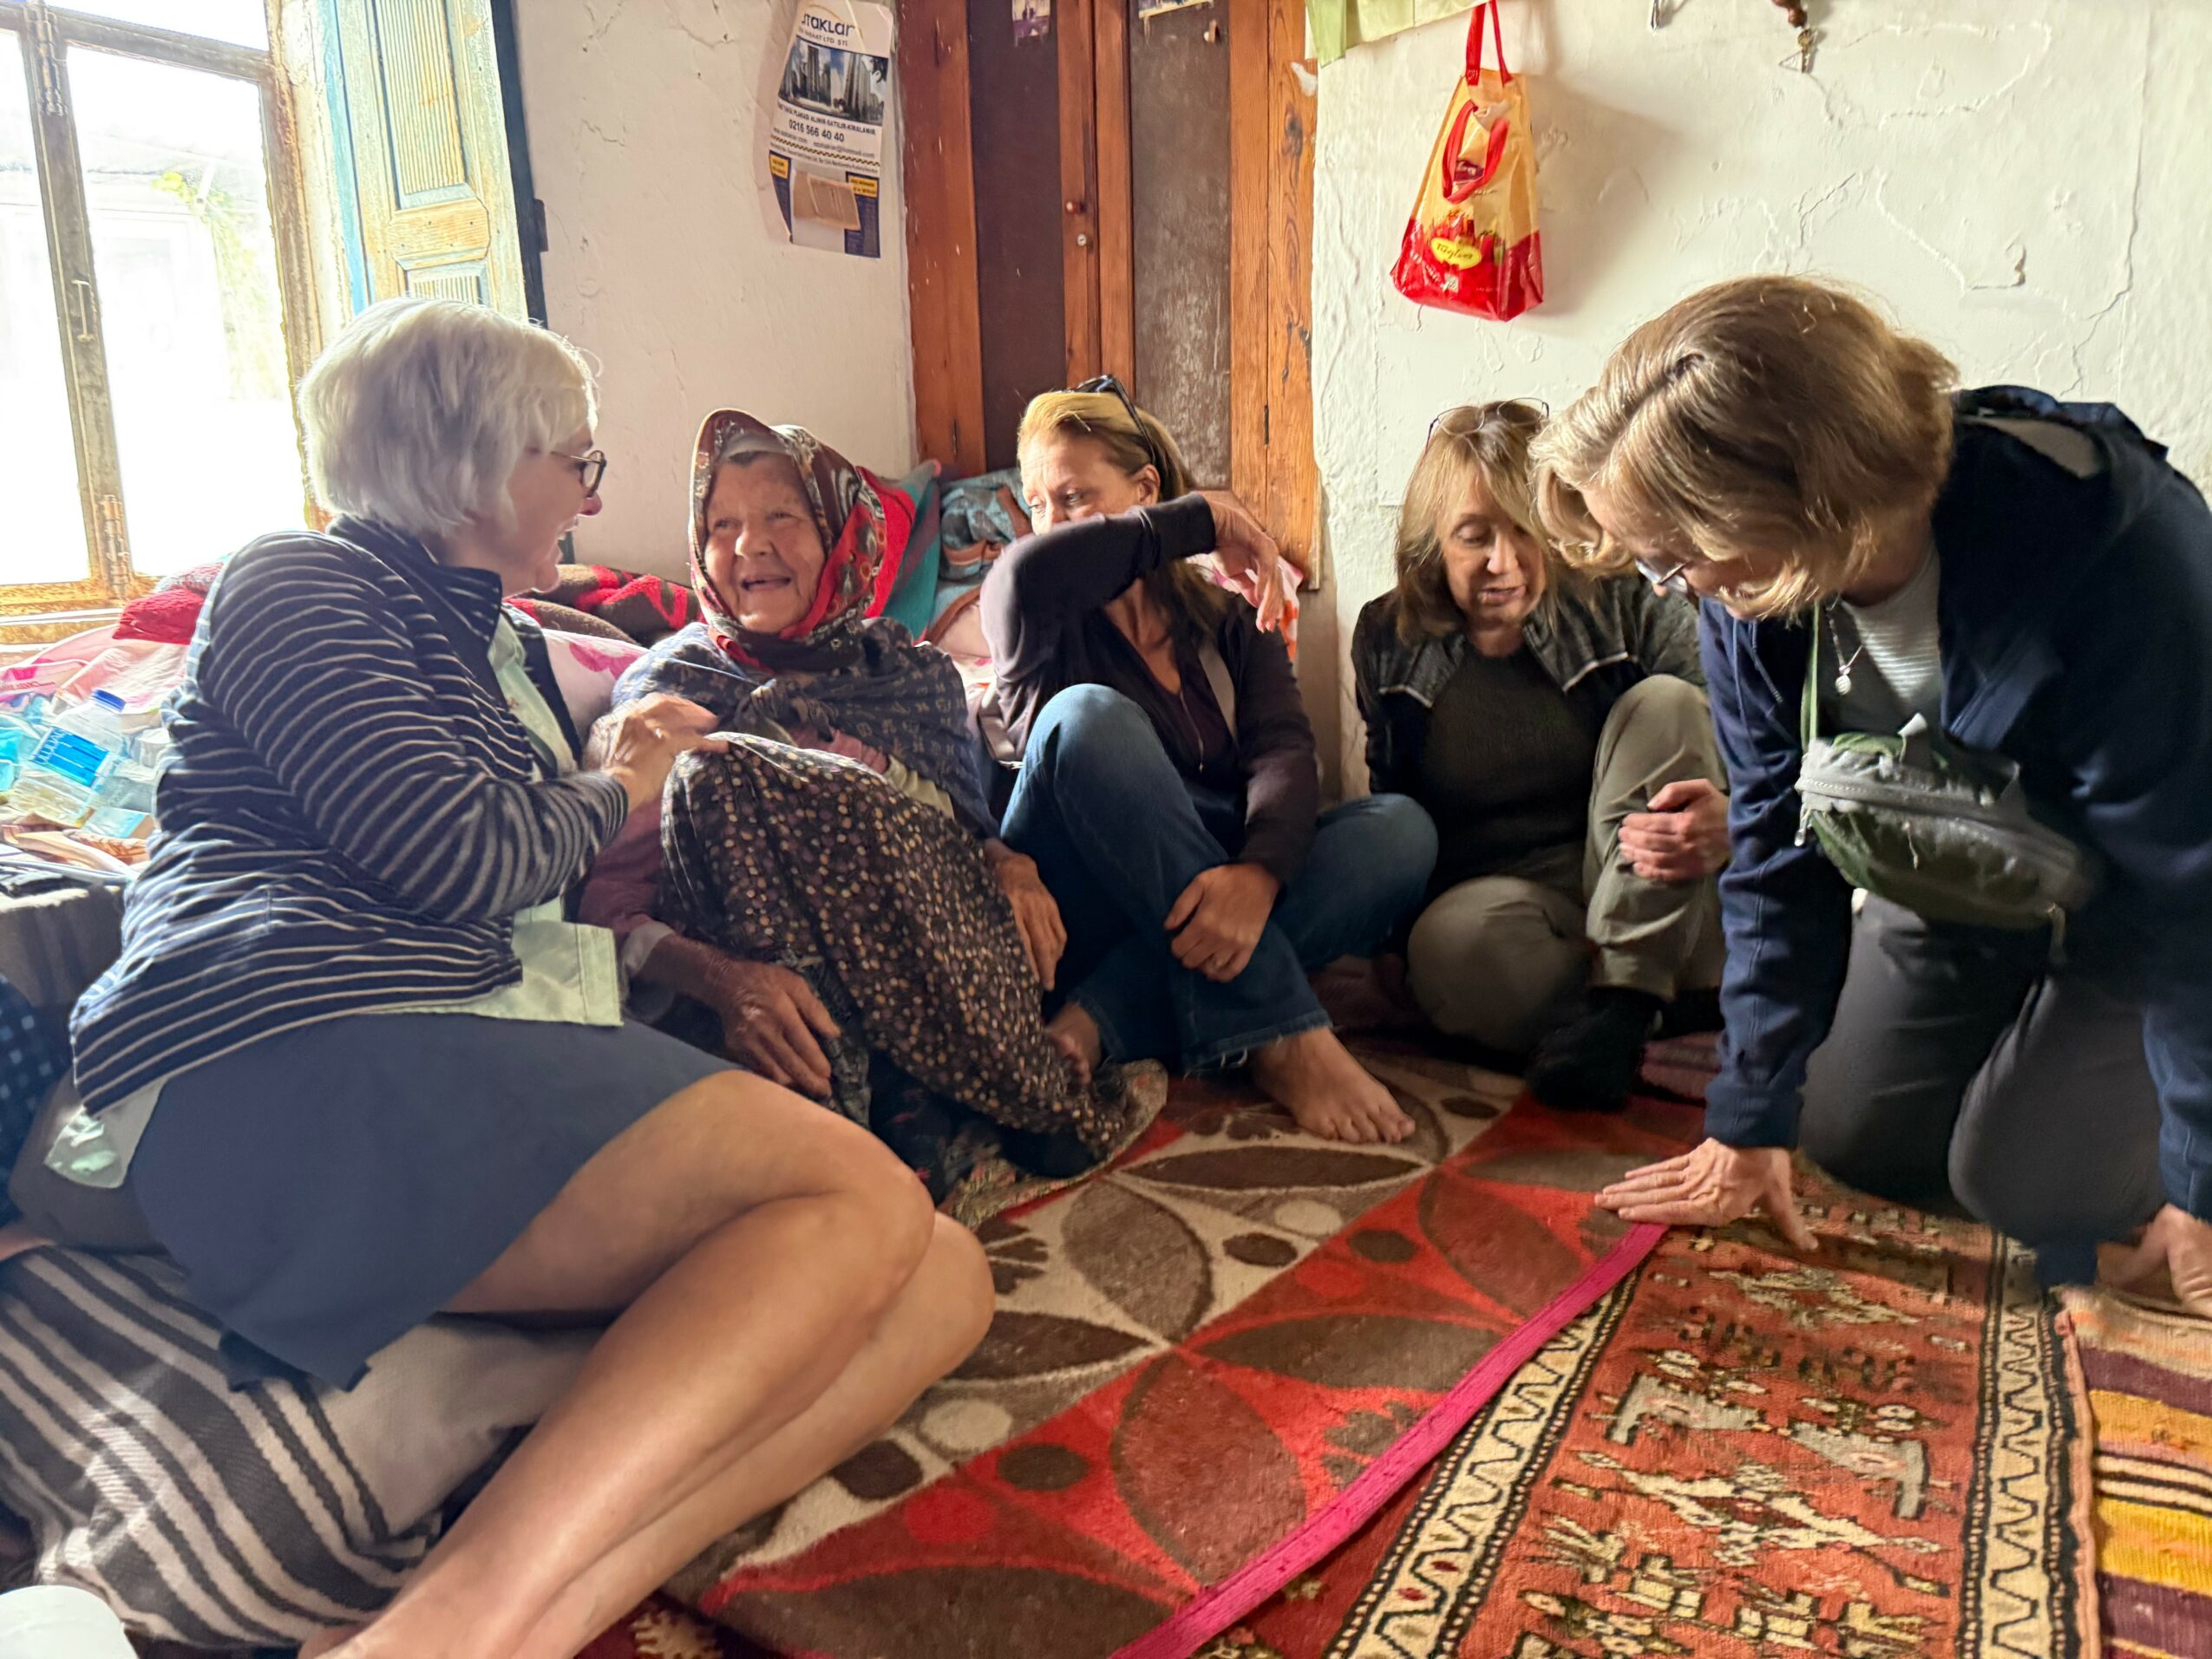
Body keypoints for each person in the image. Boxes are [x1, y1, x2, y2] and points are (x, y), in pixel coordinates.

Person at [61, 297, 994, 1658]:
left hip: (438, 1037)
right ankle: (445, 1631)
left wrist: (646, 892)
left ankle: (531, 1614)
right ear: (476, 464)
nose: (591, 496)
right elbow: (457, 854)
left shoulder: (489, 638)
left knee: (943, 1275)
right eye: (576, 460)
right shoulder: (296, 582)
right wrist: (623, 778)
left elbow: (527, 898)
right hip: (286, 1046)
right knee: (855, 1193)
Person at [1535, 274, 2212, 1316]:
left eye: (1678, 558)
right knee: (1851, 1136)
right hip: (1963, 879)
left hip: (2140, 904)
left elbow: (2186, 887)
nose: (1678, 586)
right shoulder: (1749, 589)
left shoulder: (2113, 548)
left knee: (2022, 1185)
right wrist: (1747, 1116)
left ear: (1796, 504)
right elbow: (1774, 839)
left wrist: (2197, 1175)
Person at [586, 409, 1146, 1186]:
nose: (748, 545)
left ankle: (957, 1086)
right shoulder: (667, 694)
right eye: (722, 525)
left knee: (946, 845)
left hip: (931, 963)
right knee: (720, 778)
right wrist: (724, 981)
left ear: (843, 536)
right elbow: (609, 911)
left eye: (782, 516)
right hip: (756, 996)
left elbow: (955, 832)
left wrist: (1007, 859)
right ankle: (876, 1106)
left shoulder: (910, 676)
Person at [985, 380, 1438, 1146]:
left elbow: (1283, 749)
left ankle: (1108, 1012)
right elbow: (1034, 568)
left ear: (1143, 490)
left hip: (1210, 893)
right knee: (1086, 716)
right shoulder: (1032, 608)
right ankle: (1284, 1034)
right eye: (1038, 505)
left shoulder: (1227, 617)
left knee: (1400, 830)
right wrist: (1207, 519)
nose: (1050, 522)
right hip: (1083, 887)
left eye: (1074, 497)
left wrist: (1257, 875)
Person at [1353, 401, 1728, 1112]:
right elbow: (1393, 797)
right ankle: (1658, 1015)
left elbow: (1734, 731)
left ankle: (1624, 1003)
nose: (1505, 562)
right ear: (1432, 544)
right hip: (1519, 911)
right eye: (1474, 537)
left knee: (1668, 704)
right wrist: (1390, 952)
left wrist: (1733, 818)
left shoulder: (1624, 596)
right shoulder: (1387, 635)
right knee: (1445, 953)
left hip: (1656, 885)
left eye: (1525, 530)